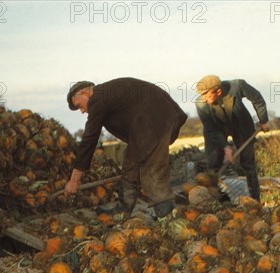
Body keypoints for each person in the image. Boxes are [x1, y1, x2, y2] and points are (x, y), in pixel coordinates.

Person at [64, 77, 188, 218]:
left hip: (155, 121)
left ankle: (167, 215)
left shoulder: (97, 98)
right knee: (130, 160)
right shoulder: (106, 95)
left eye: (79, 105)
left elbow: (90, 138)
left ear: (85, 93)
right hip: (150, 122)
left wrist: (74, 180)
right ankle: (123, 210)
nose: (81, 111)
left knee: (151, 170)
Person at [195, 75, 270, 201]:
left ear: (218, 91)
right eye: (203, 96)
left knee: (248, 163)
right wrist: (226, 147)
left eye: (207, 95)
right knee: (214, 163)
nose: (204, 99)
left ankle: (255, 199)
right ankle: (220, 201)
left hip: (241, 125)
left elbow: (257, 98)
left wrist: (263, 120)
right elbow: (211, 129)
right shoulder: (201, 104)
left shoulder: (237, 86)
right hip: (216, 129)